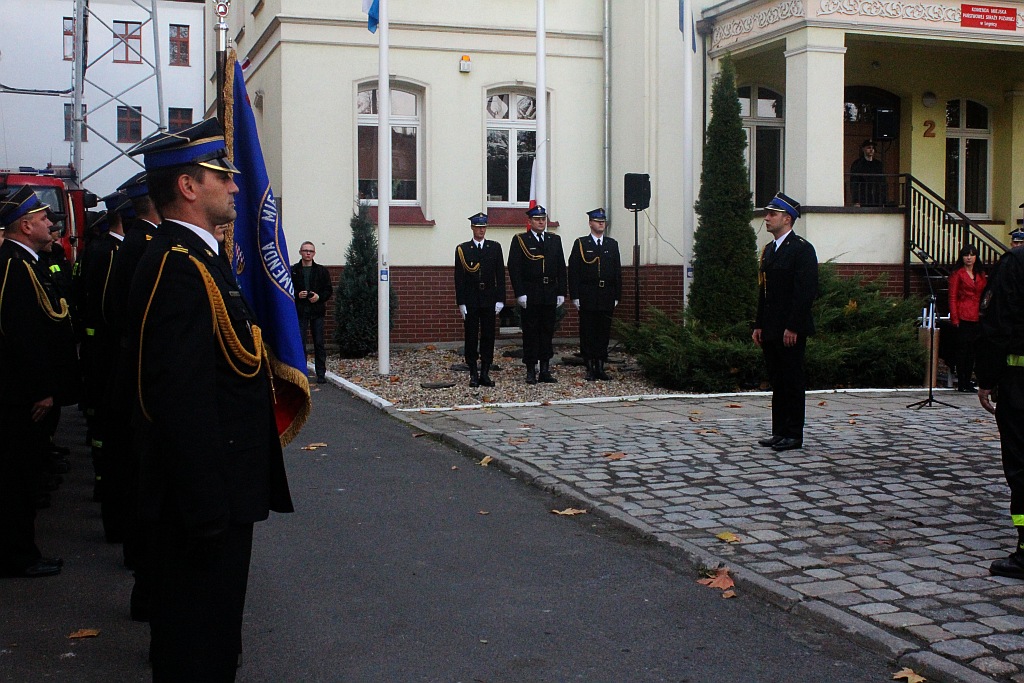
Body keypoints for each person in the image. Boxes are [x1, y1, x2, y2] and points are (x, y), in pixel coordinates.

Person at [125, 118, 293, 679]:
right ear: (190, 187)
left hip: (217, 498)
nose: (237, 187)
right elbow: (177, 402)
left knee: (214, 639)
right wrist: (205, 514)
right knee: (196, 648)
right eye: (223, 176)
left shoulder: (200, 261)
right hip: (200, 508)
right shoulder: (177, 267)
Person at [0, 186, 79, 578]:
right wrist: (41, 389)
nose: (51, 223)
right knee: (18, 478)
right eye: (45, 218)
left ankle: (20, 549)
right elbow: (21, 335)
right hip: (21, 396)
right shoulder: (15, 267)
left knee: (25, 474)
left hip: (26, 392)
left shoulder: (26, 263)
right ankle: (18, 555)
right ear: (26, 225)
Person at [752, 192, 818, 452]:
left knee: (792, 380)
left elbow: (805, 293)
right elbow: (764, 292)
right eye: (767, 213)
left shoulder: (801, 249)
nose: (766, 218)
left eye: (772, 214)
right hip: (771, 328)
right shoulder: (769, 250)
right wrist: (758, 324)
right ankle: (779, 430)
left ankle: (794, 433)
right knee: (778, 381)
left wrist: (794, 326)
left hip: (790, 328)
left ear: (787, 219)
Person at [976, 238, 1024, 579]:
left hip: (1020, 381)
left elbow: (995, 326)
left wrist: (987, 379)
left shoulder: (1015, 264)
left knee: (1022, 465)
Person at [507, 205, 566, 384]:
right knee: (531, 332)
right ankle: (531, 369)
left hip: (549, 292)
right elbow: (514, 267)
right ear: (530, 221)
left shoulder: (554, 240)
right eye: (537, 219)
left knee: (547, 331)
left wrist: (561, 292)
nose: (541, 222)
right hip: (531, 292)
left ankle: (545, 369)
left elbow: (561, 268)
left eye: (543, 219)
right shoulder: (521, 240)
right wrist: (520, 293)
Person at [568, 208, 621, 381]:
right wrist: (575, 295)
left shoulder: (611, 244)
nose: (601, 223)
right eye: (597, 221)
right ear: (590, 223)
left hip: (606, 294)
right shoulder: (582, 244)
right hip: (588, 294)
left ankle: (600, 366)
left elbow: (617, 272)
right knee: (588, 331)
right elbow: (574, 271)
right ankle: (590, 366)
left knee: (603, 332)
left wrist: (616, 296)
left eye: (603, 221)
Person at [454, 213, 506, 387]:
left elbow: (500, 275)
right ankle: (473, 372)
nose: (481, 230)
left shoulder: (494, 247)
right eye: (478, 227)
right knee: (471, 336)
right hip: (471, 298)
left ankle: (485, 371)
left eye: (483, 227)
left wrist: (500, 299)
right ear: (472, 228)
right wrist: (461, 302)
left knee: (488, 335)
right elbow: (459, 278)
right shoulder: (463, 249)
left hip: (489, 297)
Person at [289, 241, 333, 384]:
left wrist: (318, 297)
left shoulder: (321, 271)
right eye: (305, 250)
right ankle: (302, 373)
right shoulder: (293, 270)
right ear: (300, 252)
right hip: (300, 311)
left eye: (311, 251)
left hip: (317, 311)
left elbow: (328, 290)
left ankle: (321, 374)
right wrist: (297, 294)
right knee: (300, 343)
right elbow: (286, 288)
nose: (308, 253)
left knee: (319, 343)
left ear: (314, 253)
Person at [948, 244, 987, 393]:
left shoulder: (980, 274)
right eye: (966, 255)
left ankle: (968, 380)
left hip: (978, 315)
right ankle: (962, 381)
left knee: (973, 351)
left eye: (971, 255)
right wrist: (955, 318)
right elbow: (952, 297)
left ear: (976, 256)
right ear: (962, 257)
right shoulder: (958, 274)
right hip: (963, 314)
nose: (969, 258)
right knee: (962, 350)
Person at [850, 139, 886, 207]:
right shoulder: (857, 164)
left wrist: (883, 200)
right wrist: (856, 200)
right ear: (863, 149)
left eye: (872, 148)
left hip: (876, 198)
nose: (871, 150)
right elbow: (854, 183)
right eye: (869, 148)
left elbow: (883, 182)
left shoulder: (878, 164)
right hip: (863, 197)